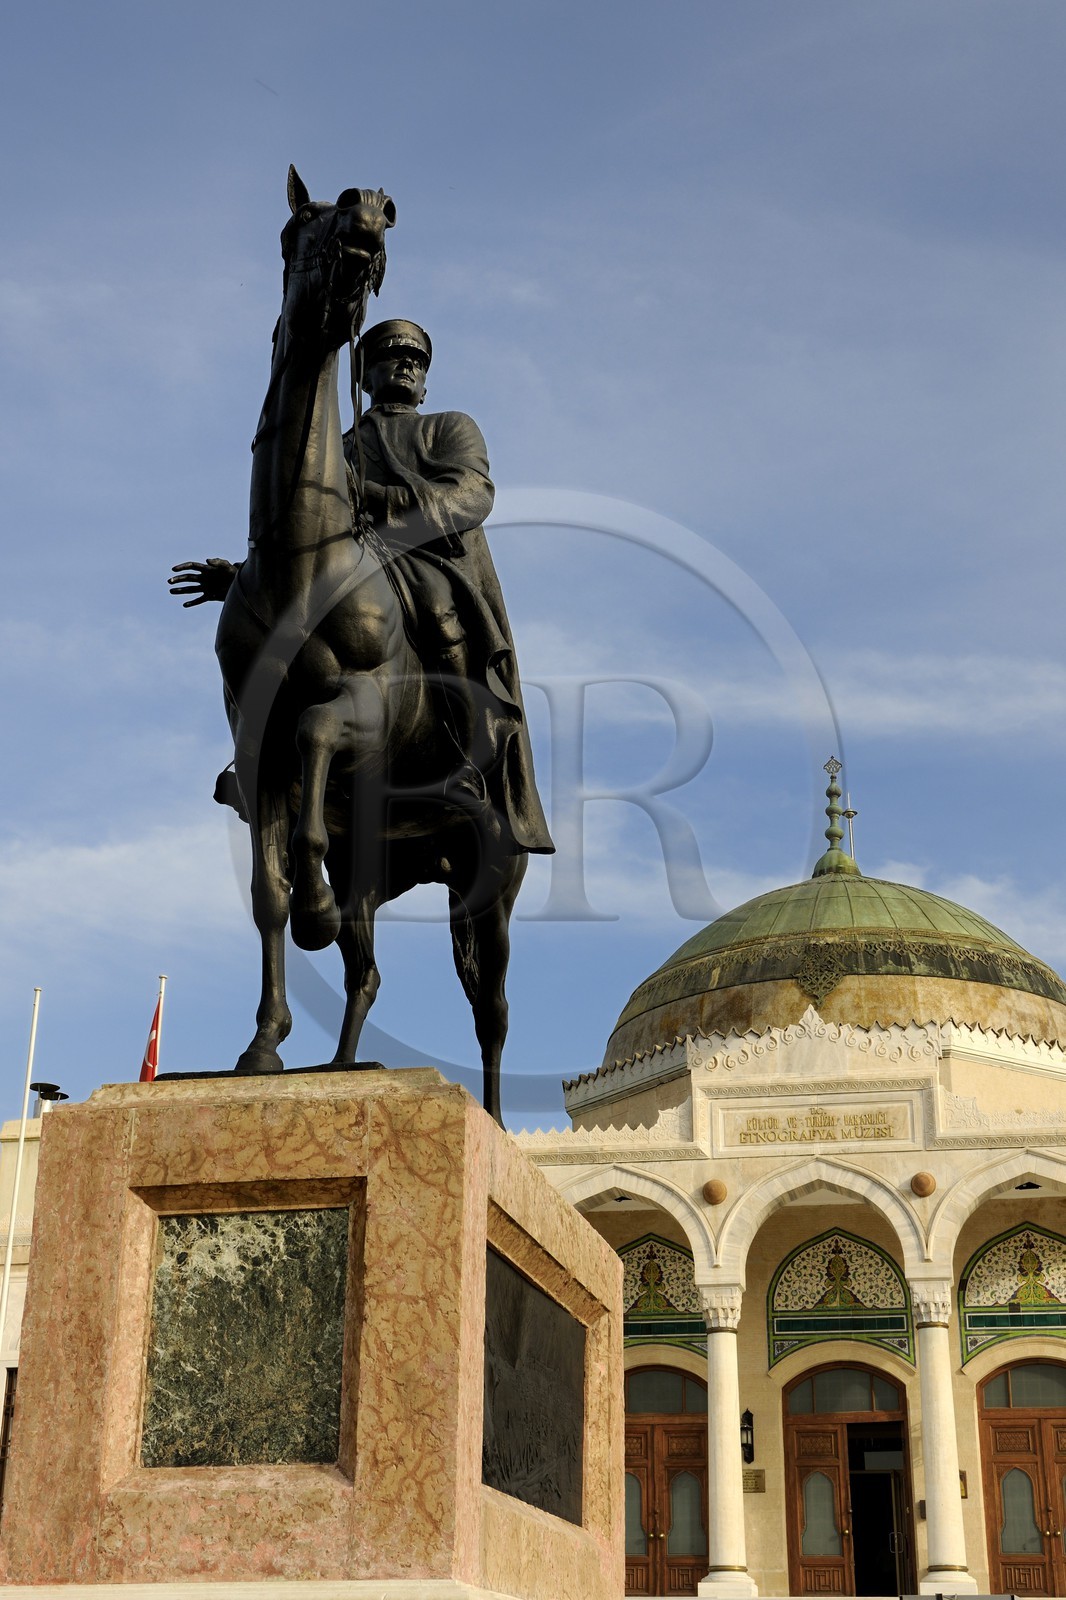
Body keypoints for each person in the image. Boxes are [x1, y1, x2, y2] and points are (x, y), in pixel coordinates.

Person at [170, 318, 552, 856]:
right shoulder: (335, 447)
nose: (407, 367)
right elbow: (306, 539)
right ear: (365, 375)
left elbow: (471, 494)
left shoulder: (448, 428)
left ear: (425, 382)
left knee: (442, 610)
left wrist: (372, 496)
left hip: (424, 556)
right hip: (343, 577)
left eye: (417, 362)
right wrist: (242, 578)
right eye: (392, 358)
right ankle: (255, 760)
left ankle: (468, 754)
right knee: (250, 632)